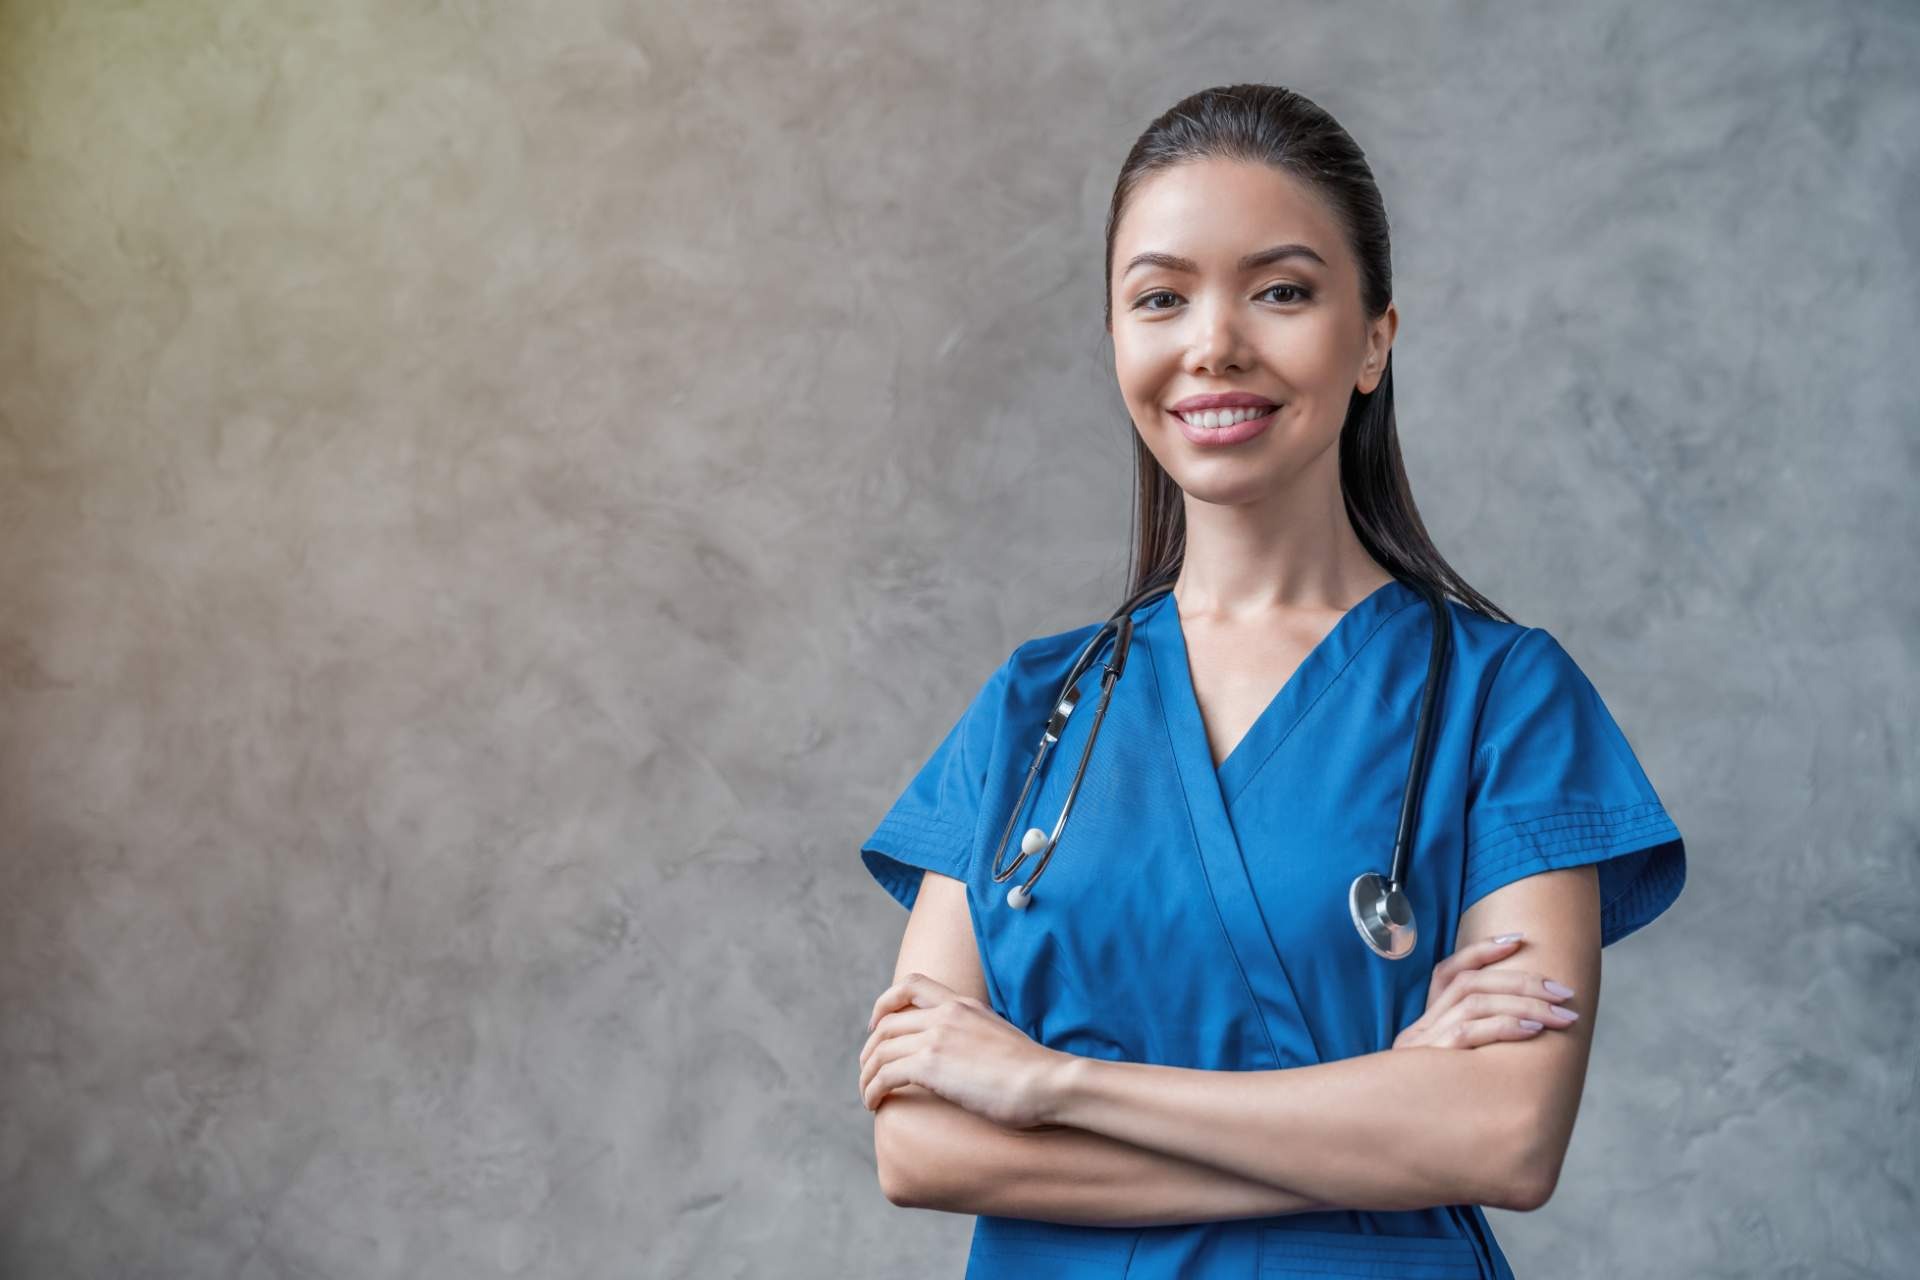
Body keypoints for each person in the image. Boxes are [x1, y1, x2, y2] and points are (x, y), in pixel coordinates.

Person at [854, 83, 1686, 1279]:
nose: (1214, 343)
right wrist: (1388, 1110)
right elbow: (923, 1146)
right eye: (1159, 297)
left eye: (1281, 289)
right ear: (1116, 340)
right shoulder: (1035, 710)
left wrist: (1051, 1084)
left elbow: (1505, 1134)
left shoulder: (1507, 699)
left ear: (1375, 339)